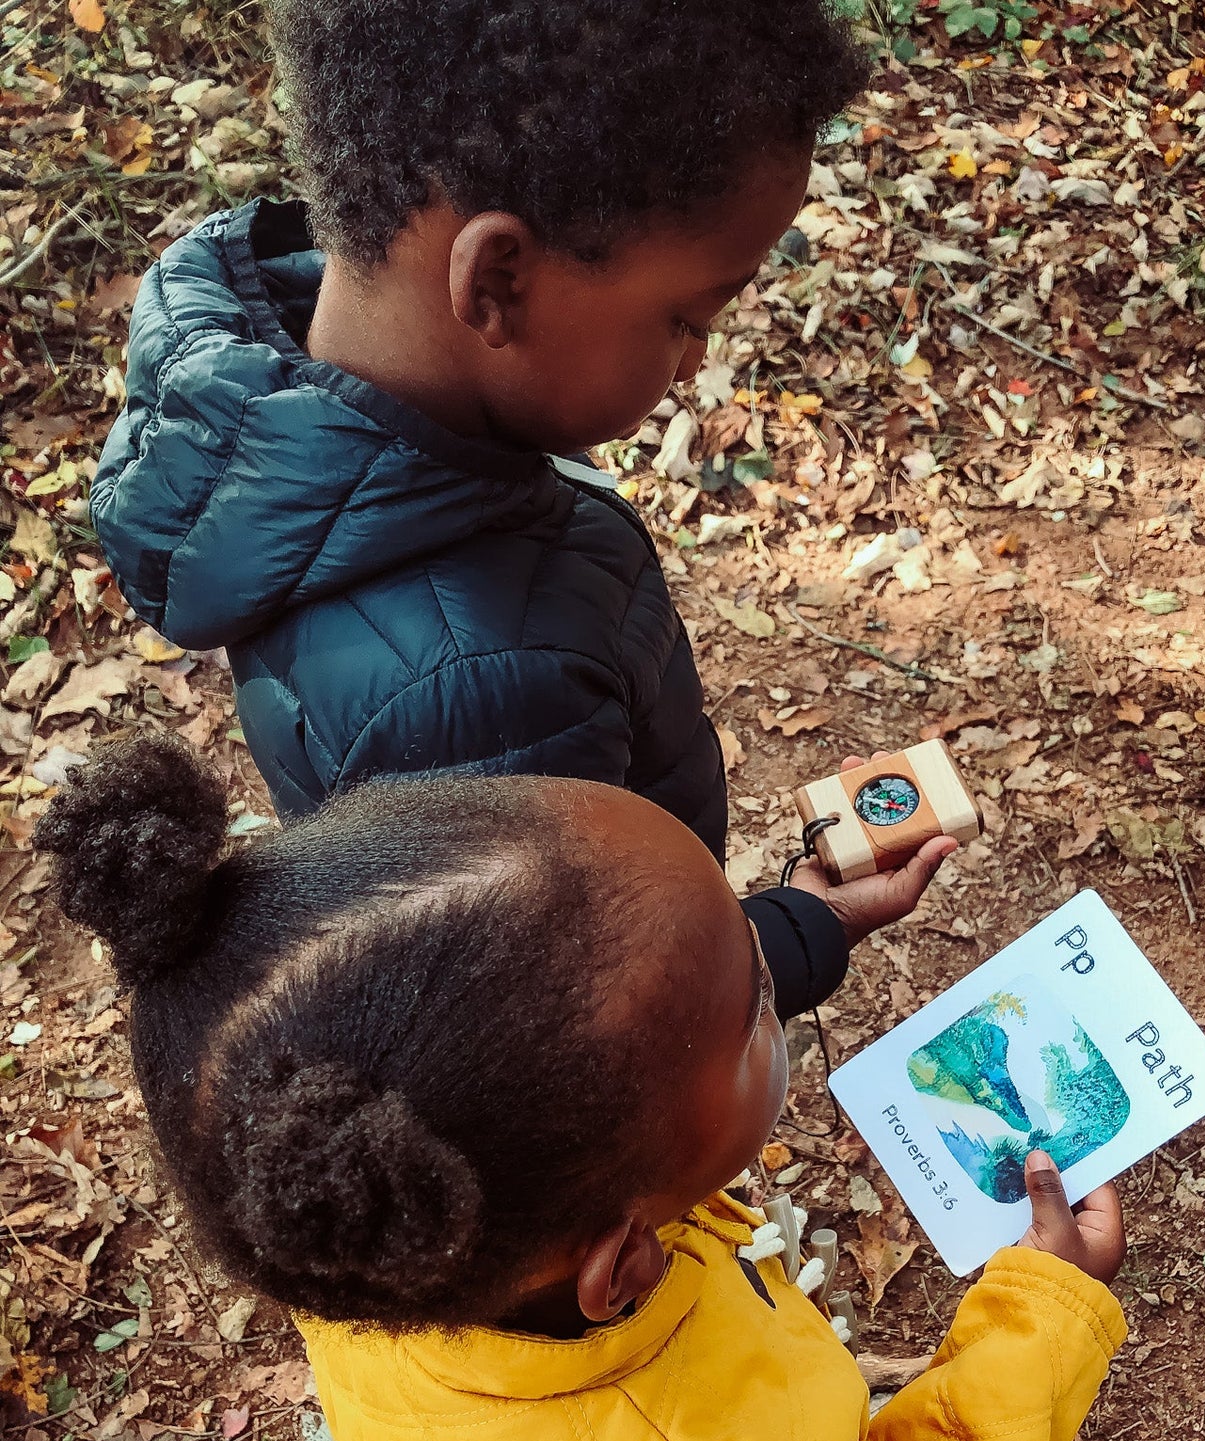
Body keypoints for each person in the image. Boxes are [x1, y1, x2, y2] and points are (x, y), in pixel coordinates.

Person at [36, 734, 1127, 1441]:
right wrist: (1036, 1316)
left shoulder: (382, 1228)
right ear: (620, 1264)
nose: (764, 985)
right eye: (752, 1004)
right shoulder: (682, 1424)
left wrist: (811, 916)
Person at [89, 0, 868, 851]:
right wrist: (793, 938)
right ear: (496, 280)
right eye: (687, 318)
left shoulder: (318, 418)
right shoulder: (476, 695)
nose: (692, 365)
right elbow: (597, 981)